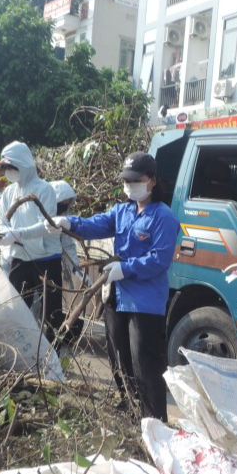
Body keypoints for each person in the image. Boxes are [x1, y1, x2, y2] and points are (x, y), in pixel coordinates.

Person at [51, 152, 178, 421]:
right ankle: (131, 413)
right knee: (119, 361)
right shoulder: (123, 211)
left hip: (145, 303)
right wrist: (69, 223)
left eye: (136, 180)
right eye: (127, 181)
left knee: (145, 365)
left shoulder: (163, 217)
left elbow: (159, 259)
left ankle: (154, 422)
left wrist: (125, 269)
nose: (130, 185)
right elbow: (96, 224)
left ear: (152, 181)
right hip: (116, 298)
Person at [0, 142, 64, 342]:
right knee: (16, 309)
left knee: (51, 314)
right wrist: (6, 237)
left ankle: (52, 359)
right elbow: (3, 221)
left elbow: (46, 225)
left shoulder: (44, 189)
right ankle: (18, 353)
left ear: (22, 164)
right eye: (5, 169)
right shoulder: (8, 193)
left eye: (11, 167)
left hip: (47, 259)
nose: (8, 172)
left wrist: (19, 234)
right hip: (20, 259)